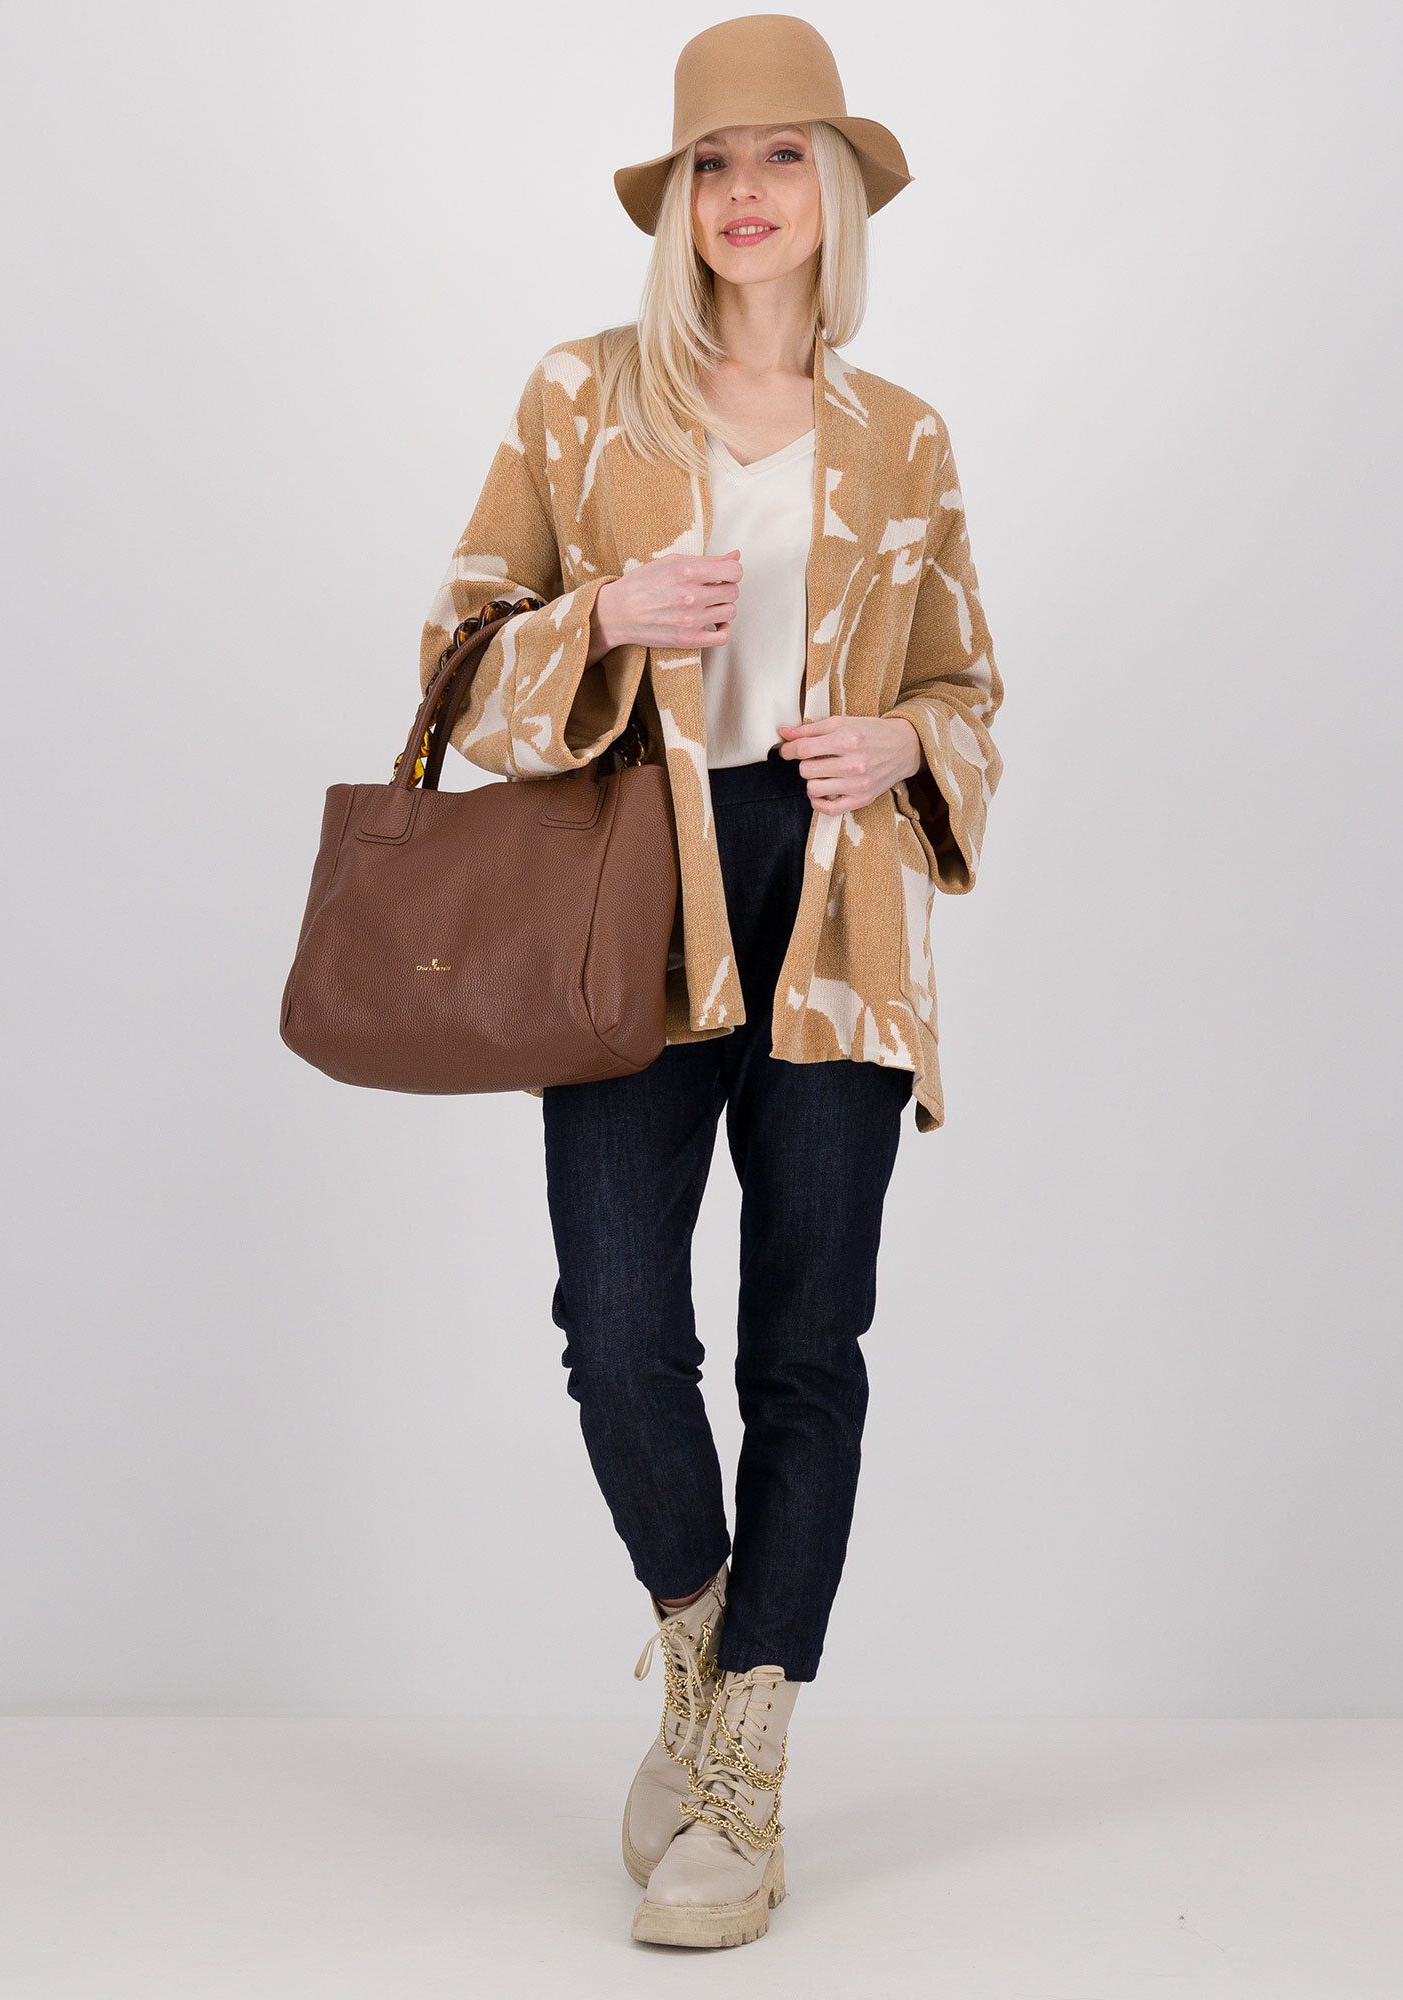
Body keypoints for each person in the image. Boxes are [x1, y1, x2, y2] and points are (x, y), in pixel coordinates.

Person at [417, 13, 1005, 1950]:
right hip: (630, 901)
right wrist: (601, 612)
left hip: (835, 915)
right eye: (712, 165)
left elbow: (967, 686)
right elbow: (453, 663)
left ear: (833, 194)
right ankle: (699, 1641)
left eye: (781, 158)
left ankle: (744, 1760)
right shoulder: (584, 398)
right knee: (614, 1325)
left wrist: (903, 743)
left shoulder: (902, 431)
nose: (747, 195)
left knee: (805, 1347)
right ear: (676, 203)